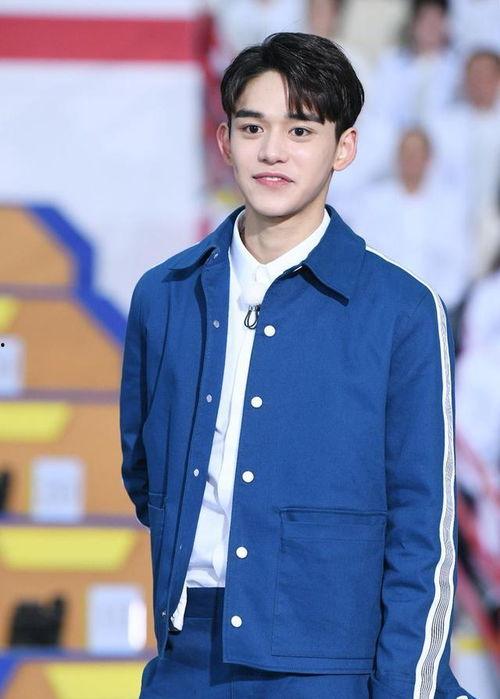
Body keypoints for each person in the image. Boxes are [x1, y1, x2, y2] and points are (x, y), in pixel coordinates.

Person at [120, 31, 476, 698]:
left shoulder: (401, 310)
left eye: (301, 129)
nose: (272, 150)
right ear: (224, 140)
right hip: (186, 661)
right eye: (252, 127)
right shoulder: (163, 295)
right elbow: (146, 475)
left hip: (332, 666)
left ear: (345, 147)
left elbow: (422, 533)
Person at [344, 127, 472, 312]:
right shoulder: (372, 201)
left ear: (429, 159)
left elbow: (457, 262)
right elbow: (364, 255)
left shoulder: (450, 205)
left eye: (417, 152)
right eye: (406, 152)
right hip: (382, 303)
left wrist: (435, 303)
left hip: (437, 306)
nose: (411, 158)